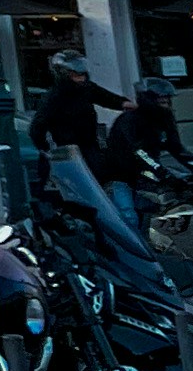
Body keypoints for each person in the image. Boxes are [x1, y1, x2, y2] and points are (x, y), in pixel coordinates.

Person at [34, 53, 169, 288]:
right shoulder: (54, 97)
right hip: (69, 157)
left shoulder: (86, 89)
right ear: (63, 74)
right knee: (82, 204)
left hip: (90, 151)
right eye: (76, 74)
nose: (81, 77)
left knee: (110, 192)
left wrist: (138, 106)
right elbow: (37, 128)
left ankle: (121, 240)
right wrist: (48, 151)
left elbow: (108, 98)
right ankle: (94, 246)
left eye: (83, 73)